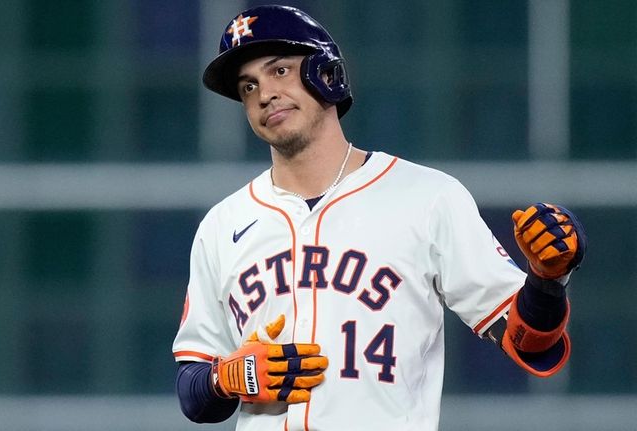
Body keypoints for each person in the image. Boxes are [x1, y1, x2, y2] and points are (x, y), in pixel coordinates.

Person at [172, 5, 586, 431]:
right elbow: (192, 387)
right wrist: (224, 379)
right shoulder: (222, 225)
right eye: (247, 86)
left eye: (279, 71)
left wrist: (546, 281)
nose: (263, 94)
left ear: (326, 74)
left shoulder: (427, 198)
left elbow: (530, 341)